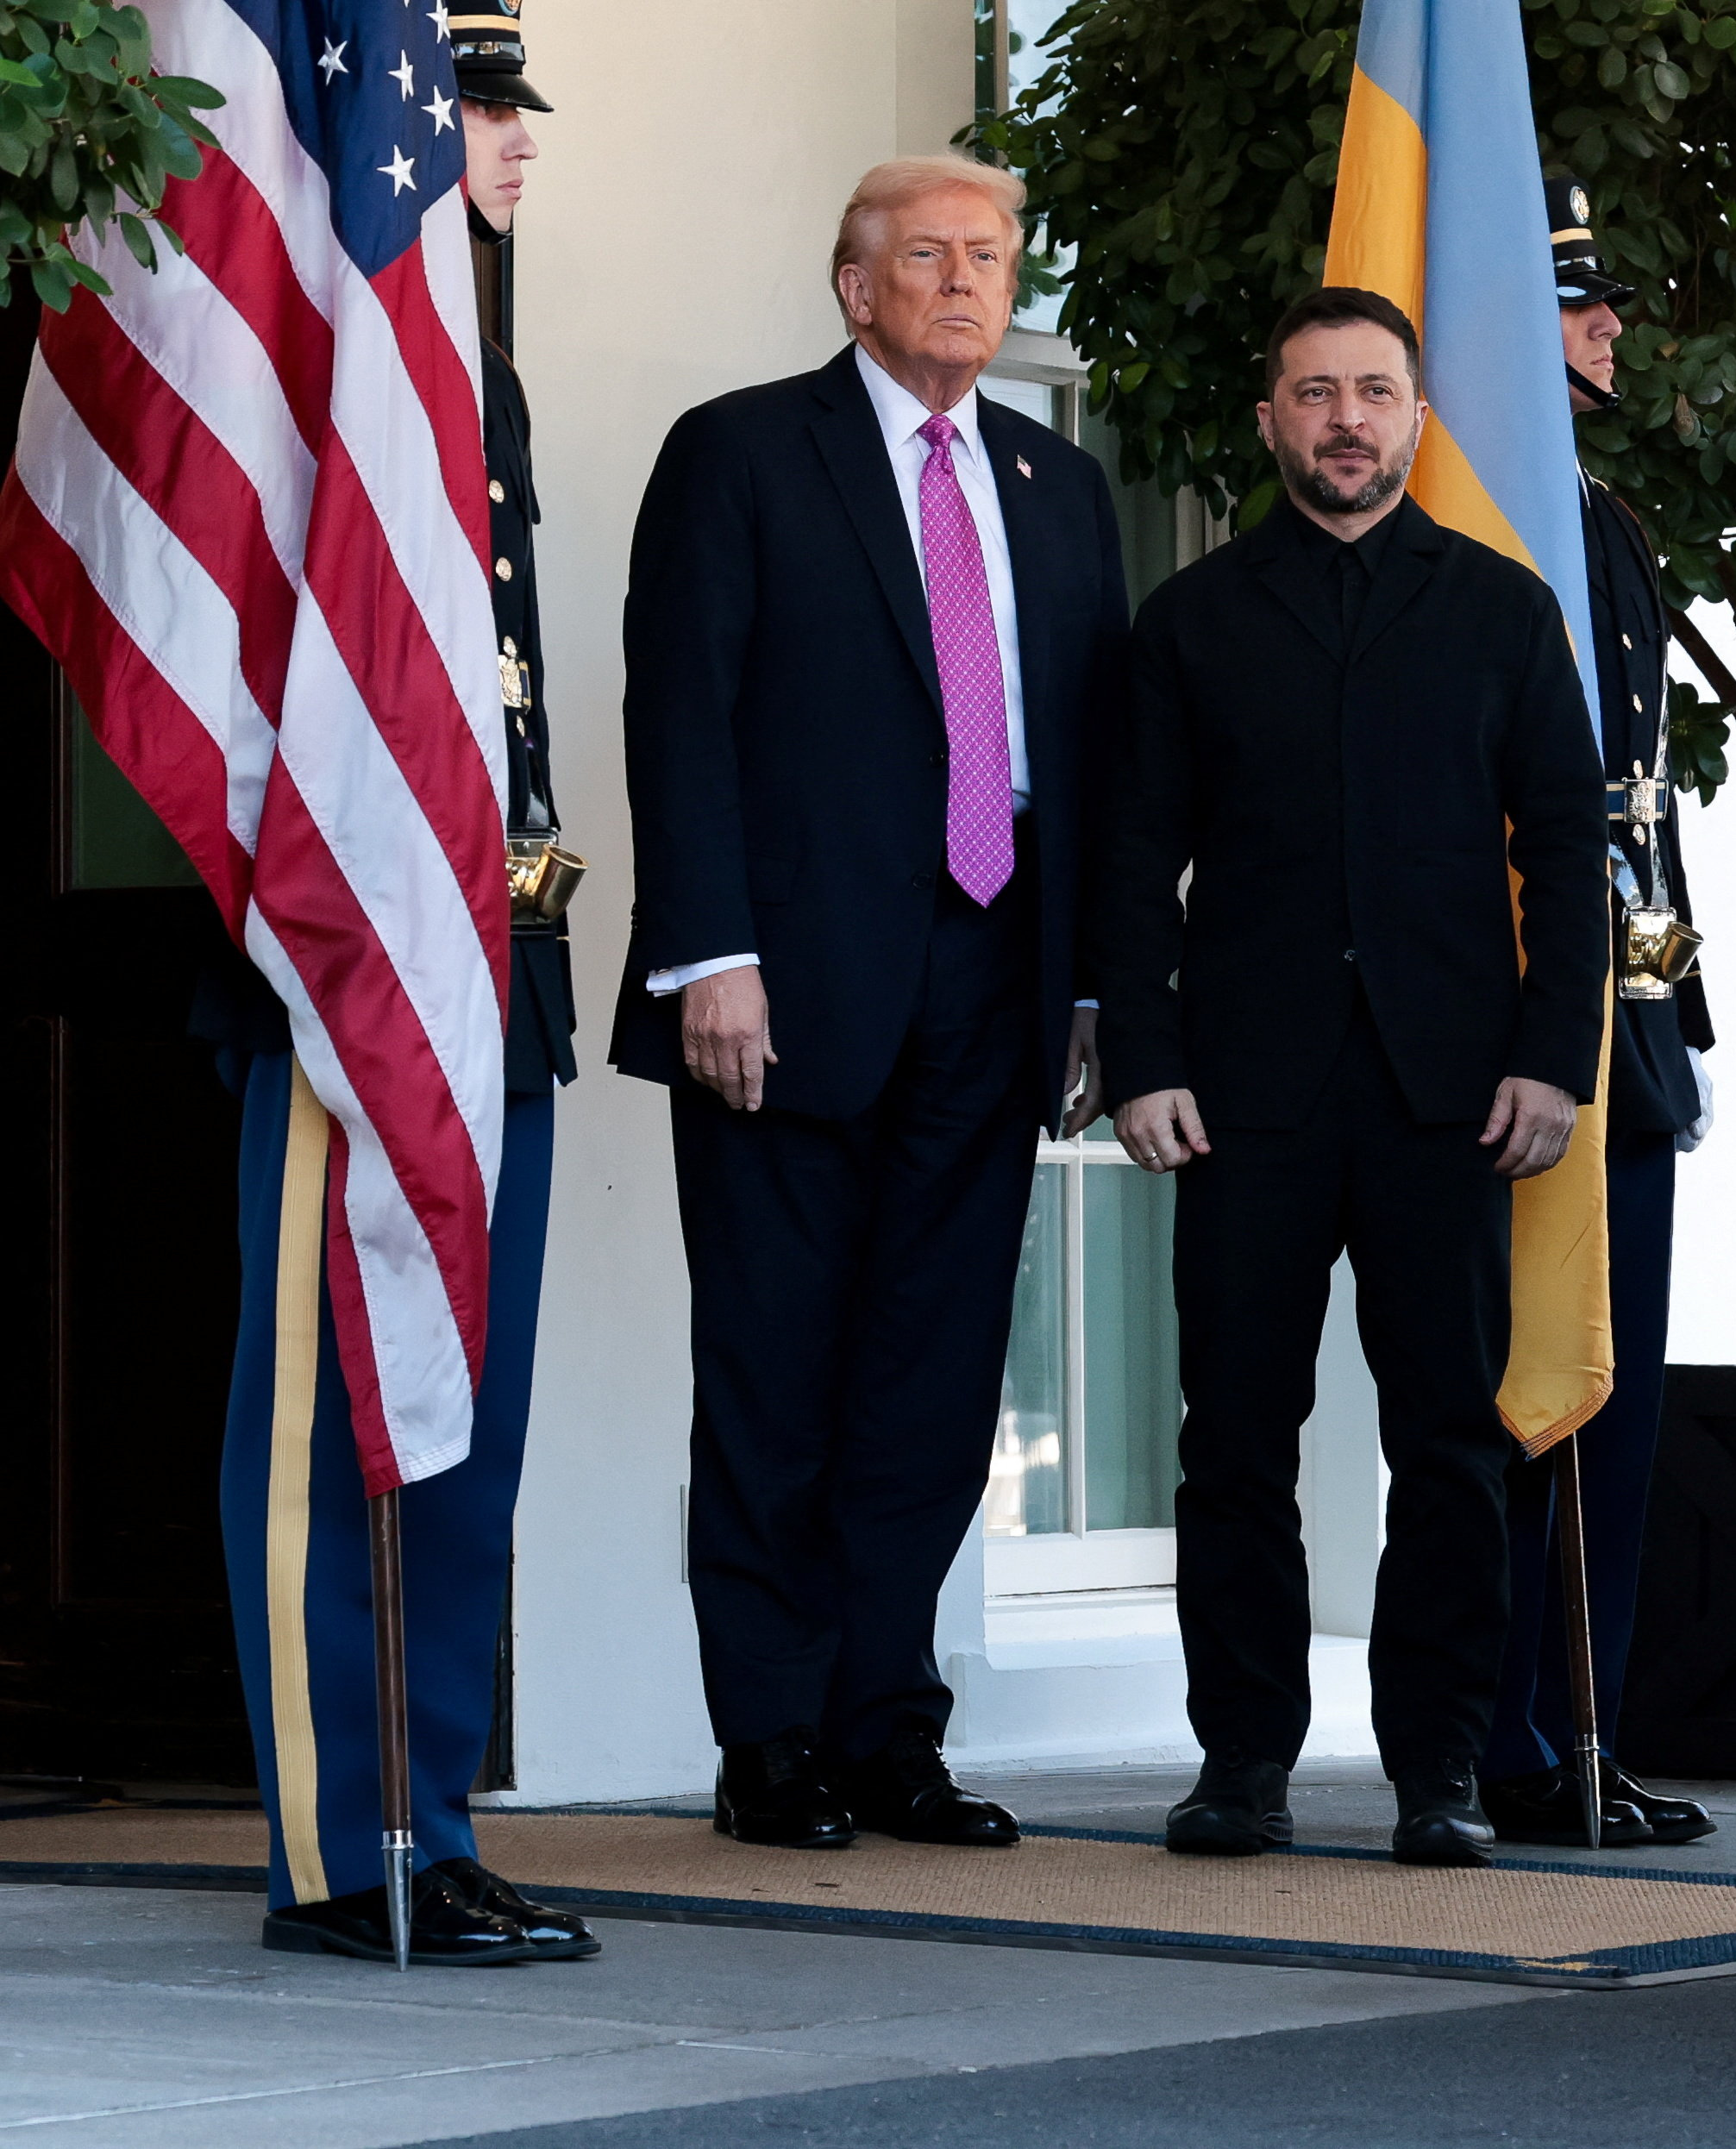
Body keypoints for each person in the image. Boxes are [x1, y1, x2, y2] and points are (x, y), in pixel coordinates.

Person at [610, 154, 1125, 1852]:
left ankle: (888, 1723)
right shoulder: (743, 452)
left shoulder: (1058, 487)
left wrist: (1091, 994)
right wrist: (708, 951)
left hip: (994, 986)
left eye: (988, 256)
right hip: (782, 990)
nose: (963, 282)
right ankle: (771, 1738)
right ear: (853, 285)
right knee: (773, 1371)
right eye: (926, 256)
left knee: (930, 1377)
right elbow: (679, 711)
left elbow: (1093, 766)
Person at [1098, 287, 1608, 1869]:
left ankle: (1438, 1771)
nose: (1344, 420)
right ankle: (1241, 1764)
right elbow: (1131, 863)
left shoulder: (1504, 611)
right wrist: (1142, 1056)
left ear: (1415, 418)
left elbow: (1571, 855)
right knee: (1231, 1442)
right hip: (1241, 1095)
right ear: (1270, 423)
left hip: (1448, 1095)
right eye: (1312, 392)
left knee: (1447, 1444)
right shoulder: (1189, 619)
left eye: (1373, 392)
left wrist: (1551, 1059)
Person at [215, 3, 595, 1964]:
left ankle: (429, 1811)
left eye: (514, 108)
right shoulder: (326, 355)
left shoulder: (476, 381)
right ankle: (343, 1841)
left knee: (468, 1409)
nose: (508, 139)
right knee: (330, 1406)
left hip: (486, 953)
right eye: (473, 103)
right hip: (344, 954)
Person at [1476, 179, 1718, 1851]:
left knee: (1612, 1401)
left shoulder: (1606, 526)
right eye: (1576, 306)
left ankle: (1584, 1732)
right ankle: (1495, 1736)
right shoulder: (1478, 531)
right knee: (1509, 1400)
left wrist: (1677, 1022)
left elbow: (1641, 805)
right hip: (1504, 1027)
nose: (1608, 323)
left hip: (1622, 1028)